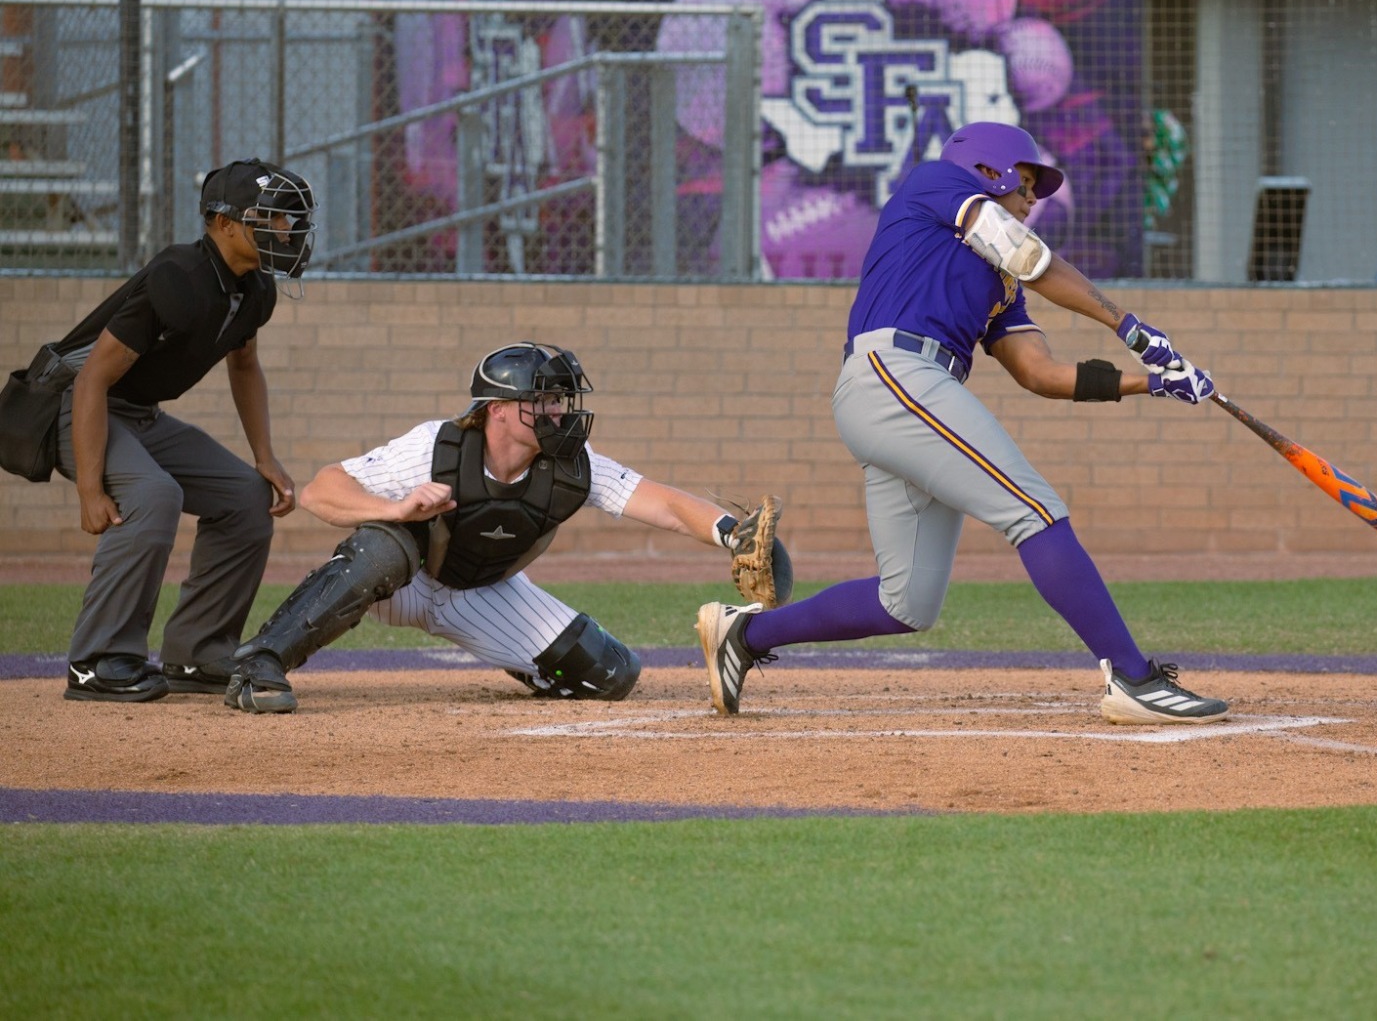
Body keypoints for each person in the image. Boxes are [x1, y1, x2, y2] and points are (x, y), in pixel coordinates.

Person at [695, 121, 1230, 726]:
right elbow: (1031, 257)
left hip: (908, 392)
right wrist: (1130, 327)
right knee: (1035, 510)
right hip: (894, 372)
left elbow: (1039, 372)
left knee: (906, 603)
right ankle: (1131, 676)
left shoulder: (999, 281)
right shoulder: (937, 183)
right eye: (1025, 184)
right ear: (986, 170)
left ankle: (745, 636)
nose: (1034, 200)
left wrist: (1154, 383)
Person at [222, 341, 789, 714]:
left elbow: (659, 502)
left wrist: (728, 532)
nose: (559, 414)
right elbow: (322, 490)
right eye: (542, 402)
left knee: (613, 674)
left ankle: (527, 662)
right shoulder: (437, 447)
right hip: (404, 580)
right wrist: (398, 510)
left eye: (561, 401)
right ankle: (260, 664)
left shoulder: (572, 466)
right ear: (496, 409)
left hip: (481, 592)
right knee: (382, 547)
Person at [39, 159, 315, 703]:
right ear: (224, 223)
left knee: (245, 496)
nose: (286, 231)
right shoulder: (179, 276)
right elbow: (92, 378)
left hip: (140, 413)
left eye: (289, 220)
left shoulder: (255, 289)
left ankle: (197, 651)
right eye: (272, 218)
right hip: (78, 406)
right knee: (153, 493)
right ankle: (97, 659)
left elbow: (243, 366)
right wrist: (90, 490)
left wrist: (265, 455)